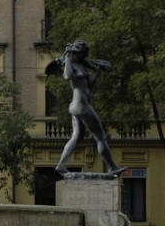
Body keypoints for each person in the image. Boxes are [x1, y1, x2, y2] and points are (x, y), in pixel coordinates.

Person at [54, 40, 126, 177]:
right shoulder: (71, 63)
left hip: (78, 105)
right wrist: (67, 59)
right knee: (100, 136)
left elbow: (90, 85)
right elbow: (67, 76)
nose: (85, 56)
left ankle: (60, 165)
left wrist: (97, 72)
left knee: (76, 136)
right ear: (78, 52)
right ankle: (112, 167)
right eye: (84, 54)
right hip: (81, 105)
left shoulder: (80, 65)